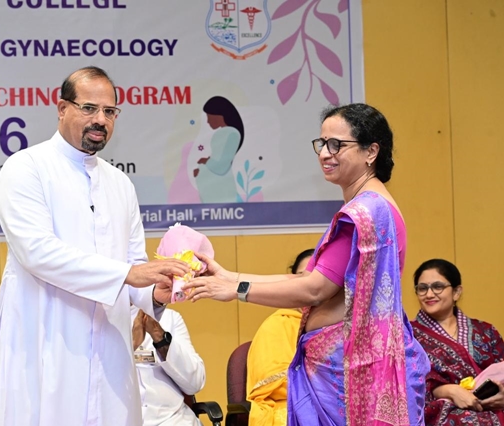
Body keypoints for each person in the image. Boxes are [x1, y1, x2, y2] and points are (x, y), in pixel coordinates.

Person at [183, 103, 429, 426]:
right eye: (322, 143)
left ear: (371, 152)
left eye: (336, 144)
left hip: (348, 376)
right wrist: (231, 276)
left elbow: (314, 290)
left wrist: (237, 291)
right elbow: (309, 277)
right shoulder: (371, 207)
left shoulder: (365, 213)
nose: (325, 153)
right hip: (343, 371)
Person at [0, 66, 190, 426]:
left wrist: (154, 293)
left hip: (110, 353)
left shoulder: (120, 184)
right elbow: (37, 253)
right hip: (45, 345)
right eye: (89, 108)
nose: (100, 120)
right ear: (62, 108)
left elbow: (135, 266)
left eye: (109, 111)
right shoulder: (26, 168)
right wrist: (130, 274)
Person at [410, 258, 504, 425]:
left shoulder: (486, 331)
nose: (429, 294)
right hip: (442, 413)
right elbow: (408, 384)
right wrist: (449, 391)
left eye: (437, 286)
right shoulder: (409, 336)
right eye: (422, 288)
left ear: (456, 292)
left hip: (495, 406)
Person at [246, 249, 313, 426]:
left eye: (316, 279)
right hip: (286, 407)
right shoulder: (277, 324)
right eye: (301, 278)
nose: (309, 285)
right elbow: (271, 384)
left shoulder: (343, 326)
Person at [131, 306, 206, 425]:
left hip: (175, 419)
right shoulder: (99, 322)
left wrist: (159, 335)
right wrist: (133, 345)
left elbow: (195, 383)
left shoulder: (168, 317)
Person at [193, 96, 244, 203]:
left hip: (219, 188)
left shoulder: (230, 133)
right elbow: (219, 160)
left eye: (209, 116)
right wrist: (204, 167)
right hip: (218, 186)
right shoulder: (229, 133)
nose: (208, 121)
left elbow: (221, 166)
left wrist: (203, 167)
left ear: (220, 115)